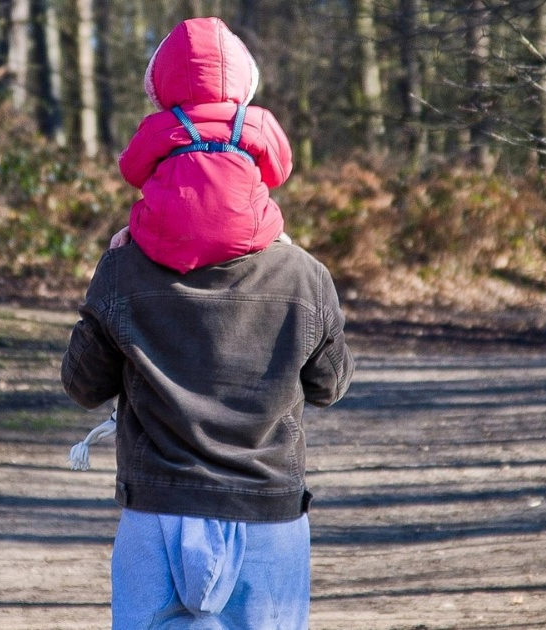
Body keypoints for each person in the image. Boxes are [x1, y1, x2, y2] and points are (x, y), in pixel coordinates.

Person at [60, 238, 354, 625]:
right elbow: (329, 384)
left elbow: (84, 385)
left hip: (156, 508)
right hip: (265, 512)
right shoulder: (302, 273)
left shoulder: (123, 268)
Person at [115, 16, 292, 273]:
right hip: (246, 232)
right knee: (270, 221)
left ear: (160, 77)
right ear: (244, 73)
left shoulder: (160, 126)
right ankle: (277, 248)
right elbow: (279, 173)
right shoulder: (256, 122)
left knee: (132, 231)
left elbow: (131, 172)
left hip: (169, 236)